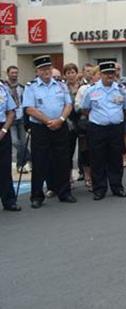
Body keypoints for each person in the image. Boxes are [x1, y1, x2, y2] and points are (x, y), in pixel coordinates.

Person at [22, 55, 76, 208]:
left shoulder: (60, 85)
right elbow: (29, 109)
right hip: (40, 128)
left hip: (60, 126)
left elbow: (68, 105)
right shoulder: (30, 87)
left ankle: (64, 192)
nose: (46, 71)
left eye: (48, 68)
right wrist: (48, 121)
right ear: (37, 71)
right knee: (40, 161)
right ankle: (37, 196)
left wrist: (60, 120)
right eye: (42, 69)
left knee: (63, 160)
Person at [81, 60, 126, 200]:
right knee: (97, 159)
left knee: (115, 159)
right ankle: (99, 189)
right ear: (101, 74)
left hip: (115, 129)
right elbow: (85, 109)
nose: (110, 76)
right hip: (97, 129)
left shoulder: (120, 89)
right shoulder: (92, 90)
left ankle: (117, 187)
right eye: (106, 73)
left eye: (112, 73)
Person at [5, 66, 29, 174]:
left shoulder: (21, 87)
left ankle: (21, 164)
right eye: (12, 73)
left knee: (23, 143)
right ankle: (30, 157)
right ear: (8, 73)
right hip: (10, 119)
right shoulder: (4, 87)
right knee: (15, 142)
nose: (14, 75)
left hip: (20, 118)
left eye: (16, 73)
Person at [1, 80, 21, 211]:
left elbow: (11, 112)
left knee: (4, 167)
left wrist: (3, 130)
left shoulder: (3, 88)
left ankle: (9, 201)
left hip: (2, 129)